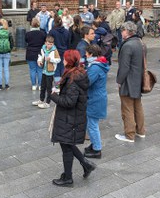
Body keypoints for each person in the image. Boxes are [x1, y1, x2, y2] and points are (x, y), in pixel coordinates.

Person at [49, 50, 96, 187]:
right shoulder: (74, 73)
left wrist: (54, 96)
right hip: (72, 117)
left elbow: (69, 102)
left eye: (64, 59)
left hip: (71, 118)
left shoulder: (73, 79)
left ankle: (68, 178)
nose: (63, 60)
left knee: (66, 146)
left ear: (68, 61)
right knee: (67, 143)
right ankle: (86, 164)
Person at [115, 21, 146, 143]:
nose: (121, 32)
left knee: (127, 108)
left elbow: (124, 67)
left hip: (128, 81)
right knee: (138, 107)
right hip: (138, 80)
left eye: (122, 30)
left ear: (127, 32)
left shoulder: (127, 45)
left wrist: (119, 81)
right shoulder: (141, 43)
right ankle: (141, 131)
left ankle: (129, 135)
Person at [84, 44, 109, 157]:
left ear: (91, 54)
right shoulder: (98, 64)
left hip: (95, 98)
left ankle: (97, 149)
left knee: (92, 125)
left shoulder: (95, 67)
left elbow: (87, 82)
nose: (85, 55)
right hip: (97, 97)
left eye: (87, 54)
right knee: (91, 123)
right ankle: (94, 144)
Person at [32, 35, 61, 109]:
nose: (49, 46)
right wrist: (39, 61)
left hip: (50, 72)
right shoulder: (43, 48)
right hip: (44, 71)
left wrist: (50, 59)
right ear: (45, 43)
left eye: (51, 44)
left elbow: (58, 60)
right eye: (48, 44)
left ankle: (47, 102)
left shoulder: (54, 50)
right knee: (43, 86)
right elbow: (40, 56)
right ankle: (41, 100)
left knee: (49, 88)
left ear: (53, 44)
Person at [49, 16, 70, 91]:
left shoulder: (52, 31)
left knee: (57, 69)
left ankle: (58, 86)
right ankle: (63, 84)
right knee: (63, 68)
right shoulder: (67, 31)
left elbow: (50, 42)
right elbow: (68, 42)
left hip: (56, 51)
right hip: (64, 51)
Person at [0, 19, 14, 90]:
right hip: (6, 52)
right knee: (6, 69)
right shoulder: (8, 32)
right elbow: (12, 43)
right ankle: (7, 85)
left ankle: (0, 86)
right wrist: (9, 50)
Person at [25, 18, 46, 90]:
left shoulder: (28, 34)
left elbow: (26, 41)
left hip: (30, 53)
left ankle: (34, 85)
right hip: (40, 53)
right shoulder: (43, 33)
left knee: (32, 69)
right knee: (40, 70)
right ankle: (40, 85)